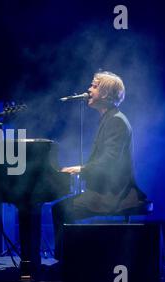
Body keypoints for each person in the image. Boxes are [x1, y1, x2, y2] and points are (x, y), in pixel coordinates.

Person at [52, 71, 147, 261]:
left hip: (114, 194)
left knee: (61, 209)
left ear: (106, 94)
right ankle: (75, 257)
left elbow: (109, 161)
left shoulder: (117, 121)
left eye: (94, 86)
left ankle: (68, 261)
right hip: (105, 191)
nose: (88, 89)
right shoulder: (110, 118)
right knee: (62, 208)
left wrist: (81, 169)